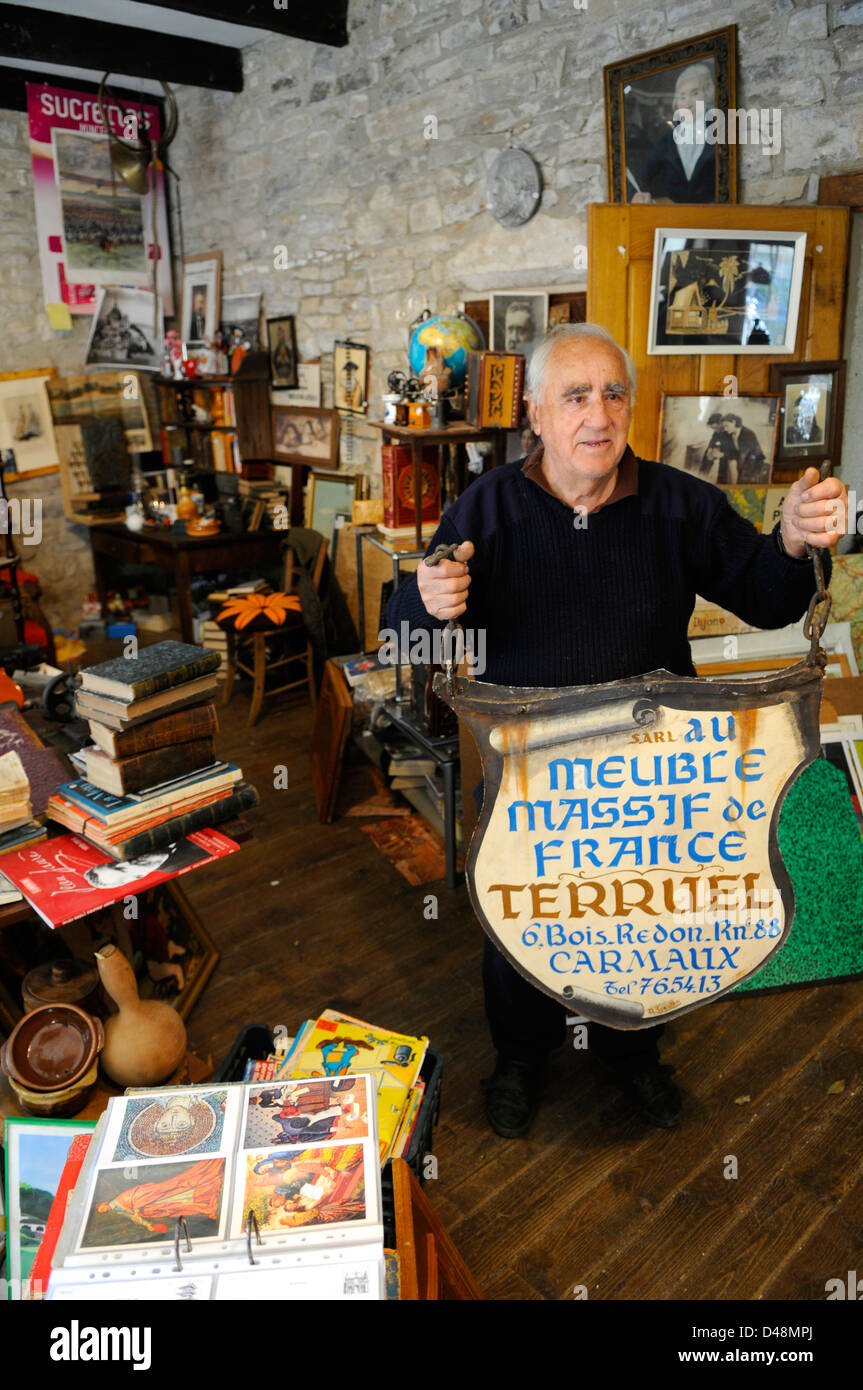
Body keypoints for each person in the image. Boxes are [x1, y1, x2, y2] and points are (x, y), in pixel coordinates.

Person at [386, 322, 846, 1139]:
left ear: (628, 405)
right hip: (531, 770)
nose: (595, 415)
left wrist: (789, 540)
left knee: (646, 919)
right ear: (534, 413)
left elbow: (769, 596)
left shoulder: (680, 502)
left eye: (611, 393)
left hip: (654, 768)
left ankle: (632, 1057)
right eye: (573, 396)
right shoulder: (484, 509)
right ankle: (520, 1059)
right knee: (520, 913)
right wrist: (422, 598)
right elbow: (408, 637)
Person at [631, 63, 716, 204]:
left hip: (716, 220)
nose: (688, 103)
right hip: (672, 220)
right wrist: (640, 197)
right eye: (682, 97)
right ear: (677, 103)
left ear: (707, 94)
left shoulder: (720, 133)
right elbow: (641, 177)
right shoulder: (668, 141)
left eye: (694, 93)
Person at [721, 412, 768, 484]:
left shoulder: (748, 434)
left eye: (727, 426)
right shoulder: (729, 435)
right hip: (743, 463)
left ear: (733, 422)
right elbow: (732, 453)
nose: (725, 429)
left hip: (754, 463)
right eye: (724, 427)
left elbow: (747, 456)